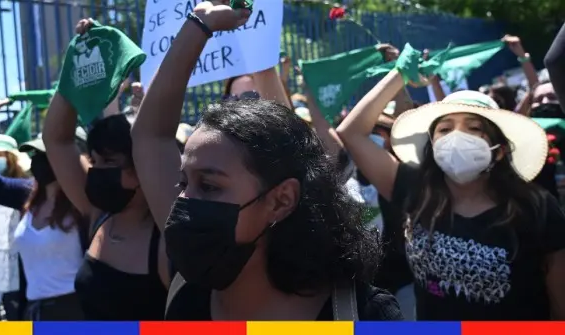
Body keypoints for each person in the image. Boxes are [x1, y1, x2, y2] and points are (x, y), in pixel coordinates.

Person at [132, 1, 402, 321]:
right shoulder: (198, 270)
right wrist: (198, 25)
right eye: (182, 182)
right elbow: (151, 137)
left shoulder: (361, 314)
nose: (183, 201)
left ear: (281, 200)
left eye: (209, 185)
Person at [337, 60, 565, 320]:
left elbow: (560, 302)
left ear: (499, 151)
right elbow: (351, 132)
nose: (456, 138)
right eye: (445, 129)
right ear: (433, 145)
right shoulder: (415, 189)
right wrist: (400, 73)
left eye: (474, 128)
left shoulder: (535, 208)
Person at [43, 20, 169, 321]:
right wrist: (79, 61)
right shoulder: (96, 215)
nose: (95, 171)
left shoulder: (166, 240)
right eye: (94, 161)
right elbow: (56, 140)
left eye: (110, 163)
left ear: (142, 169)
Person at [0, 92, 89, 321]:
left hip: (79, 312)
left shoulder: (89, 199)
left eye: (45, 154)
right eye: (36, 153)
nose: (38, 160)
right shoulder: (28, 194)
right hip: (34, 312)